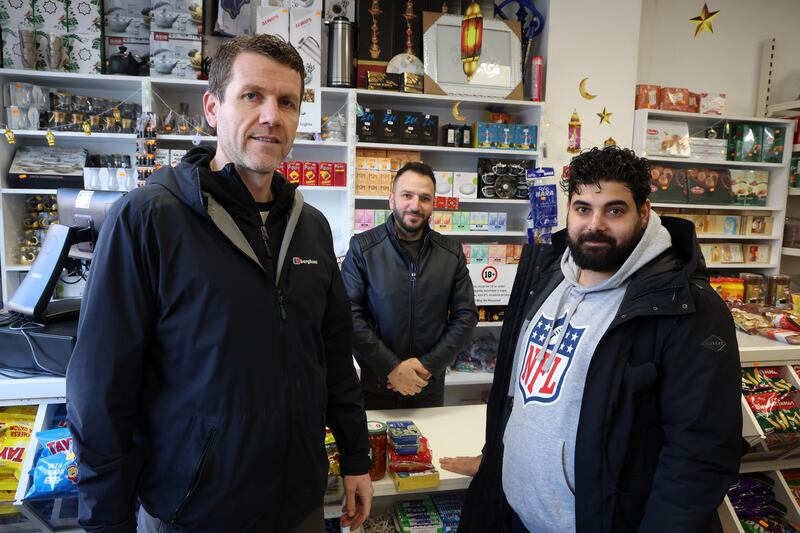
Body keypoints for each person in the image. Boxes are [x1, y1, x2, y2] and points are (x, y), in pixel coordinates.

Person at [66, 35, 372, 532]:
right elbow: (101, 390)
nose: (272, 115)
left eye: (288, 102)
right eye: (252, 95)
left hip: (299, 507)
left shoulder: (310, 226)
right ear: (212, 107)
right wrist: (106, 520)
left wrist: (356, 458)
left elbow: (334, 356)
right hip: (194, 513)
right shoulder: (149, 220)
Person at [441, 146, 743, 532]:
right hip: (515, 515)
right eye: (583, 208)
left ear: (644, 212)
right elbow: (516, 395)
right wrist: (495, 458)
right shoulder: (547, 274)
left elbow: (699, 455)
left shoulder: (688, 307)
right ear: (569, 209)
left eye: (614, 210)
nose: (595, 224)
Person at [340, 162, 478, 409]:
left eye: (425, 198)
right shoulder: (363, 248)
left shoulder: (451, 253)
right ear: (391, 198)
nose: (415, 205)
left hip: (427, 386)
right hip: (376, 385)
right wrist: (391, 368)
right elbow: (348, 314)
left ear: (433, 204)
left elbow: (466, 317)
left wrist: (427, 367)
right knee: (374, 447)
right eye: (407, 195)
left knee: (430, 446)